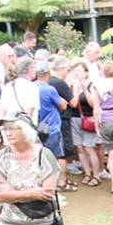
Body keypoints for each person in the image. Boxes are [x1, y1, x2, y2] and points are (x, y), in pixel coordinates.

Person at [0, 116, 63, 225]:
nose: (8, 133)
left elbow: (47, 193)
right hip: (14, 223)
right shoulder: (1, 157)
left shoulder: (44, 155)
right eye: (5, 129)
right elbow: (0, 195)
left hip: (42, 221)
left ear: (26, 130)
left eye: (13, 128)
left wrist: (13, 192)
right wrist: (33, 192)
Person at [93, 62, 113, 193]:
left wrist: (96, 124)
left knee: (112, 155)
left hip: (106, 120)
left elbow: (96, 108)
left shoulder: (98, 86)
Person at [69, 62, 104, 186]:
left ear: (86, 73)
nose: (77, 74)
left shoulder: (91, 86)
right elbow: (72, 103)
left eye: (79, 71)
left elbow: (93, 104)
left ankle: (96, 174)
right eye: (75, 71)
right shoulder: (71, 85)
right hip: (75, 118)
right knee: (79, 147)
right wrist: (75, 89)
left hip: (88, 119)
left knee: (89, 147)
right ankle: (87, 172)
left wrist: (83, 89)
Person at [49, 58, 79, 189]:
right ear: (61, 69)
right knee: (62, 152)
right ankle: (62, 181)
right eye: (67, 69)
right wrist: (76, 88)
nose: (68, 72)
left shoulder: (46, 82)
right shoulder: (60, 83)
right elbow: (73, 103)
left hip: (48, 121)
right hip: (62, 120)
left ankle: (58, 179)